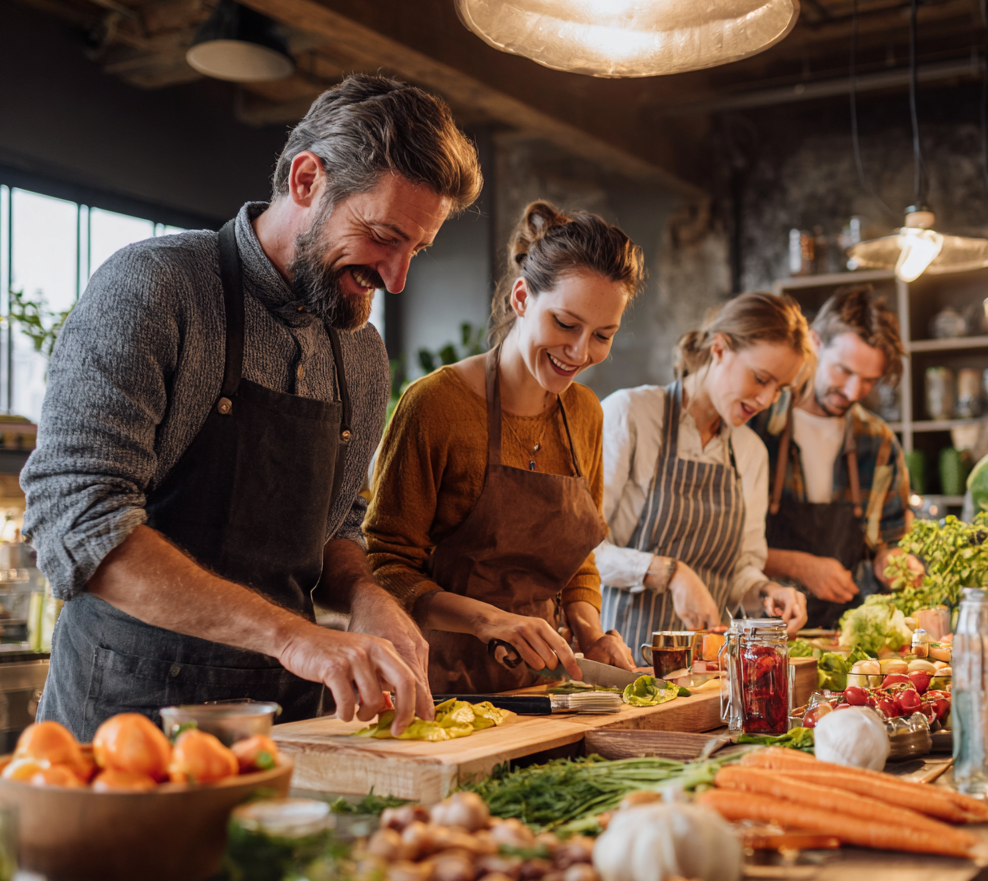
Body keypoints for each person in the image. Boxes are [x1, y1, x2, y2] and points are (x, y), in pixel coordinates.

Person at [20, 75, 483, 739]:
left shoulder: (361, 354)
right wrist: (293, 637)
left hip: (286, 730)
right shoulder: (156, 288)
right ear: (305, 180)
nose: (396, 276)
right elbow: (78, 521)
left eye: (417, 248)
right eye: (383, 234)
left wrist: (365, 596)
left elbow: (334, 530)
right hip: (126, 728)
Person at [364, 201, 643, 693]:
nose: (580, 352)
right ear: (521, 298)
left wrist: (590, 633)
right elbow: (384, 569)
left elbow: (578, 559)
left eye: (603, 335)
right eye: (564, 323)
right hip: (431, 683)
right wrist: (487, 621)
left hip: (540, 686)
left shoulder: (585, 414)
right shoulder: (435, 405)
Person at [598, 293, 810, 657]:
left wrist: (766, 591)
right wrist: (670, 572)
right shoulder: (630, 414)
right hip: (622, 662)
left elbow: (740, 568)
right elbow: (585, 552)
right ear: (719, 349)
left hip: (707, 673)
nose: (766, 399)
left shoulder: (751, 452)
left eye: (780, 389)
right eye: (761, 378)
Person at [752, 286, 921, 629]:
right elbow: (723, 545)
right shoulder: (757, 423)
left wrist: (898, 564)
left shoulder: (879, 442)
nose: (853, 392)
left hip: (843, 633)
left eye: (869, 381)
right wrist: (801, 567)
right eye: (843, 371)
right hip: (760, 631)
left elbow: (890, 542)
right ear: (814, 342)